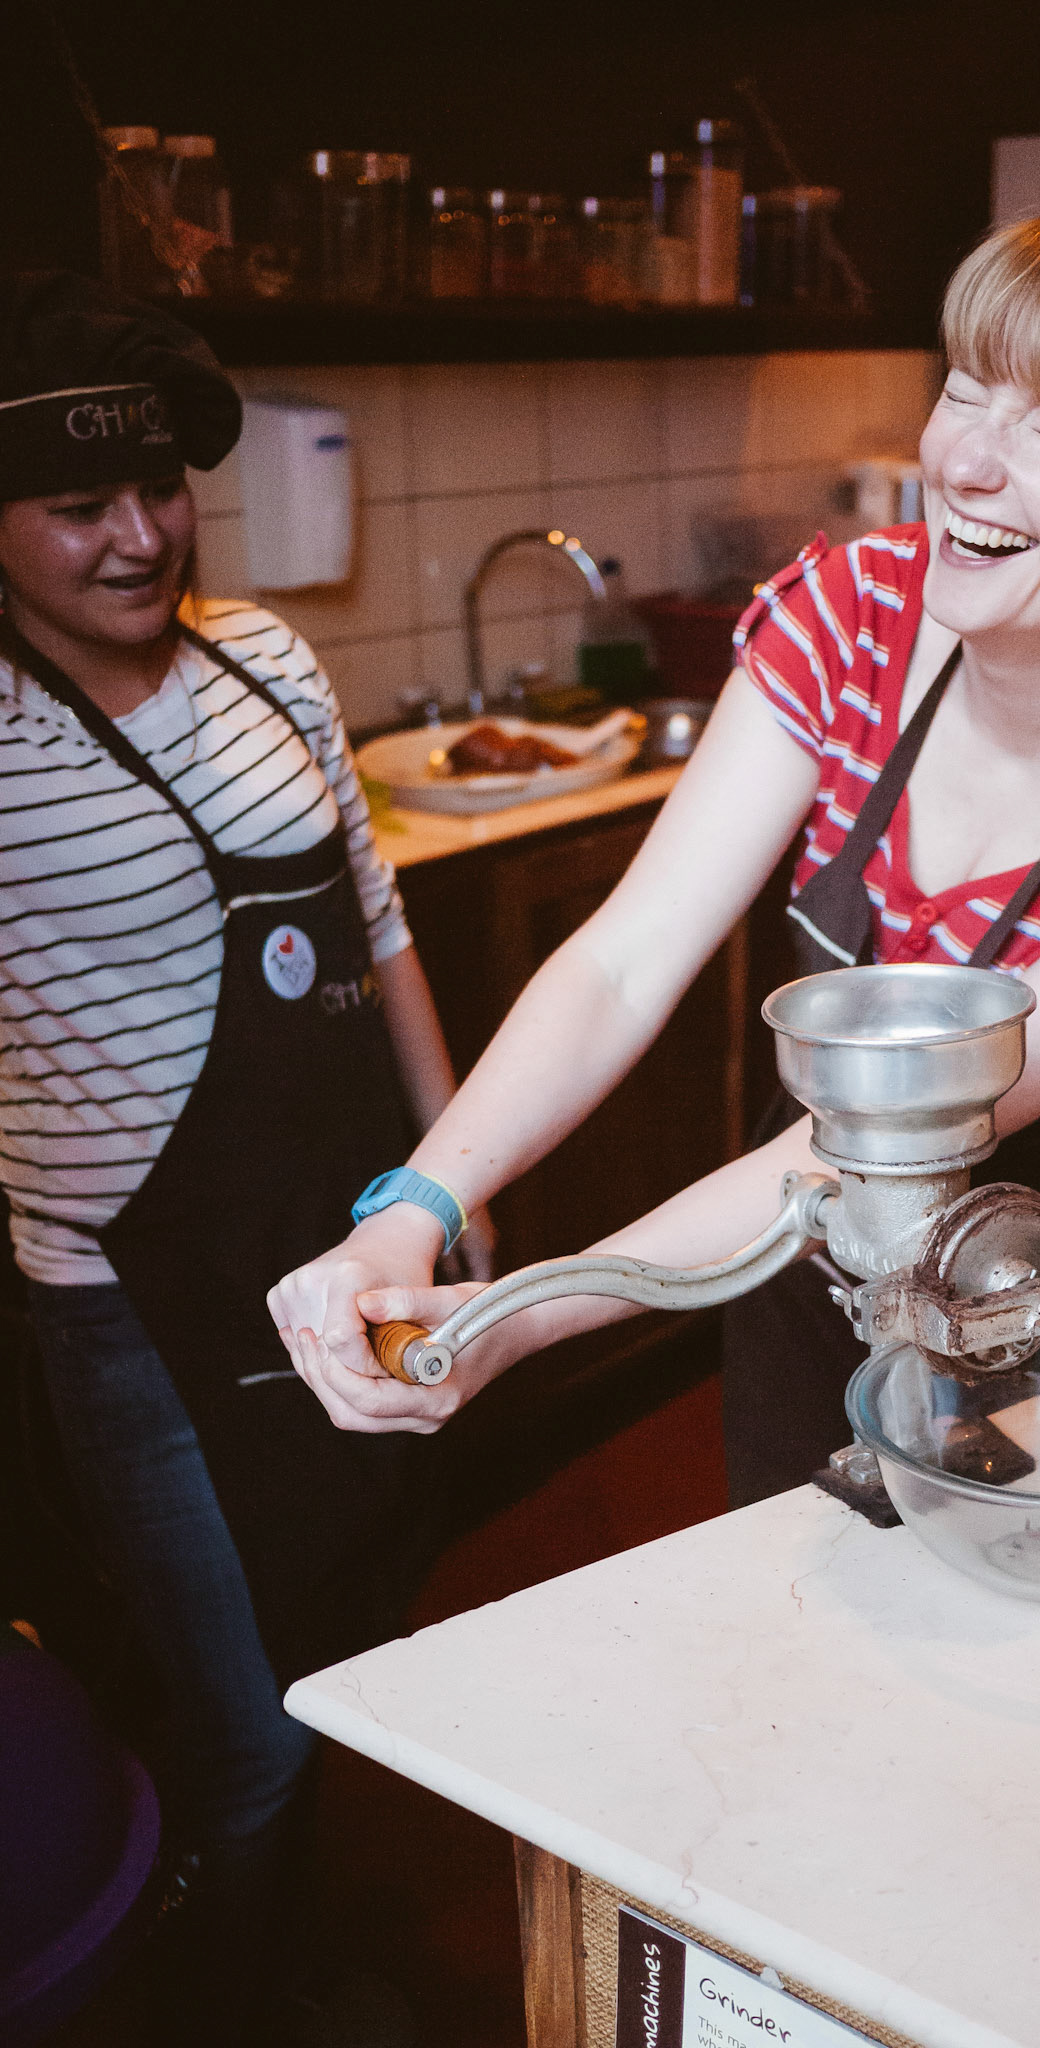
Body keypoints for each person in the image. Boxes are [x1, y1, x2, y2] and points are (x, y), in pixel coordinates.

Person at [270, 195, 1040, 1502]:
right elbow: (626, 958)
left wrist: (523, 1315)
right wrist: (415, 1210)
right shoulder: (853, 615)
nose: (966, 461)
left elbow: (913, 1126)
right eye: (964, 389)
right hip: (812, 1253)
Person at [0, 271, 472, 2042]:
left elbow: (378, 913)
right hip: (139, 1313)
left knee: (361, 1638)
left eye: (159, 491)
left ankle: (307, 1960)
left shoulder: (264, 656)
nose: (137, 538)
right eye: (75, 508)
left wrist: (452, 1170)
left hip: (350, 1250)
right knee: (253, 1737)